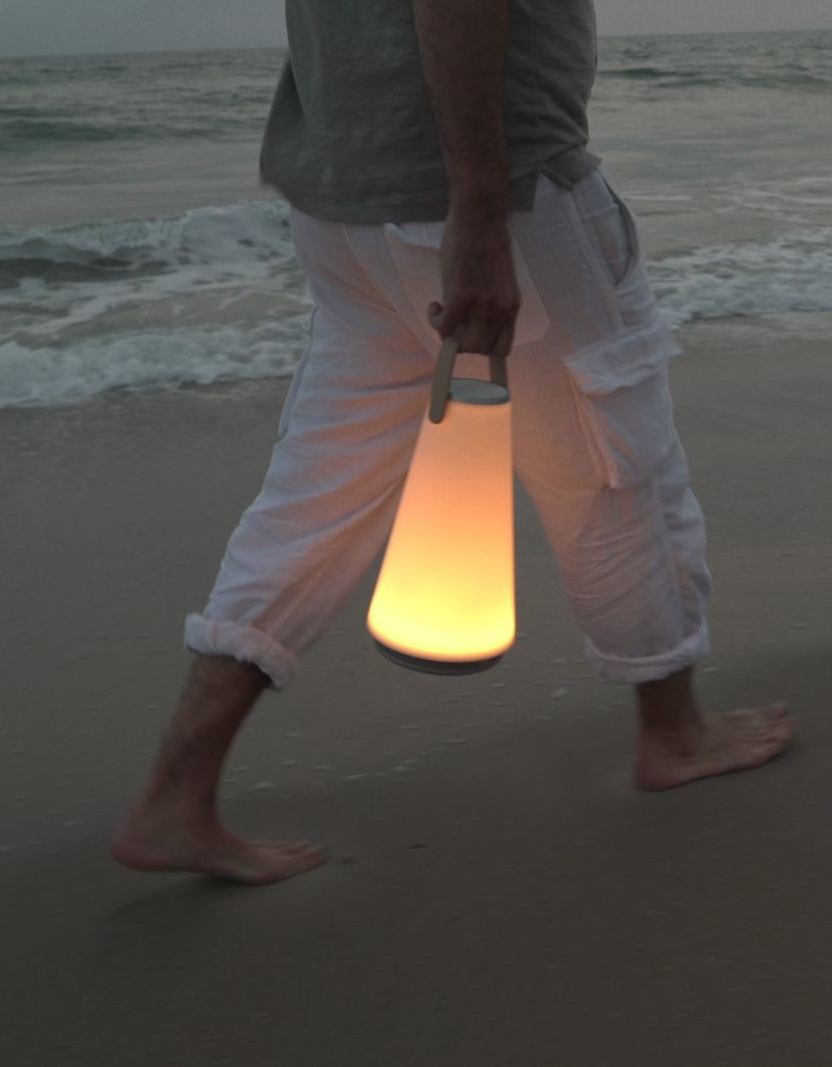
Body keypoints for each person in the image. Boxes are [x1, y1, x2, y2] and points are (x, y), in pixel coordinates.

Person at [110, 0, 795, 886]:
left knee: (313, 500)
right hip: (491, 198)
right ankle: (675, 731)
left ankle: (176, 793)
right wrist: (477, 205)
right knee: (614, 466)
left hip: (345, 206)